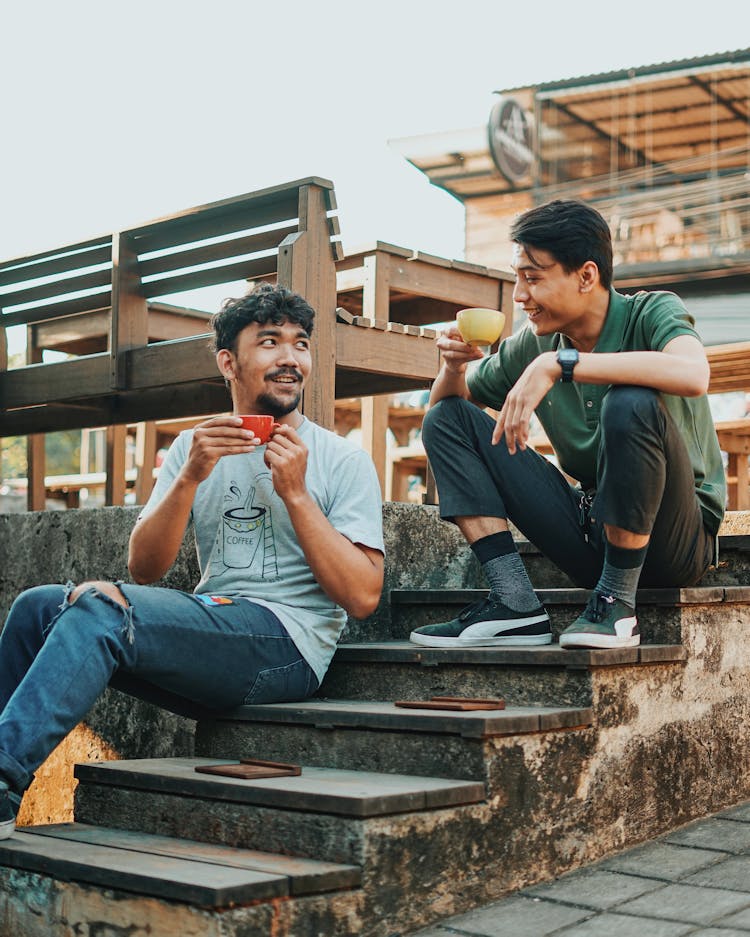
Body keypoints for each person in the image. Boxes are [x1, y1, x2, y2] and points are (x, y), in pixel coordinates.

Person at [0, 283, 385, 839]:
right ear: (229, 361)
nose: (290, 359)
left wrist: (296, 494)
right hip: (218, 621)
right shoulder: (193, 447)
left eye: (300, 344)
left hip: (289, 647)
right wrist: (188, 476)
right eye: (270, 343)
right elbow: (144, 569)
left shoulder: (340, 458)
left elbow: (363, 596)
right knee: (38, 607)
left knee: (103, 610)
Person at [410, 199, 725, 653]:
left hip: (676, 539)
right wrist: (453, 369)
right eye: (518, 276)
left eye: (533, 277)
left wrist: (563, 364)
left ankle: (616, 603)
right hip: (591, 529)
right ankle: (515, 603)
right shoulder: (533, 346)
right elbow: (447, 418)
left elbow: (694, 374)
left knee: (631, 399)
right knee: (445, 417)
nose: (519, 295)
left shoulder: (650, 312)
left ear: (586, 276)